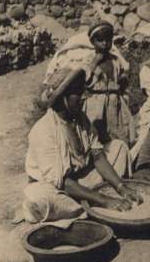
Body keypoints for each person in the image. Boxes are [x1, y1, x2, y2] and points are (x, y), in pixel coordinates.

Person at [22, 67, 142, 224]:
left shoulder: (80, 119)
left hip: (83, 180)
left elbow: (98, 157)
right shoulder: (44, 130)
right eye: (78, 93)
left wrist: (121, 187)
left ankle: (89, 205)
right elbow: (62, 182)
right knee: (36, 199)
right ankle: (92, 205)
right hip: (60, 188)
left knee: (119, 147)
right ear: (63, 99)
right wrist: (103, 199)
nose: (84, 96)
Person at [83, 21, 135, 146]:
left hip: (114, 102)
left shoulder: (115, 60)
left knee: (118, 133)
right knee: (95, 136)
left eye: (108, 40)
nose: (104, 44)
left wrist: (123, 87)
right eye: (100, 40)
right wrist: (94, 62)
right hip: (96, 103)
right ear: (93, 42)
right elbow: (85, 80)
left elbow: (122, 79)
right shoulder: (89, 59)